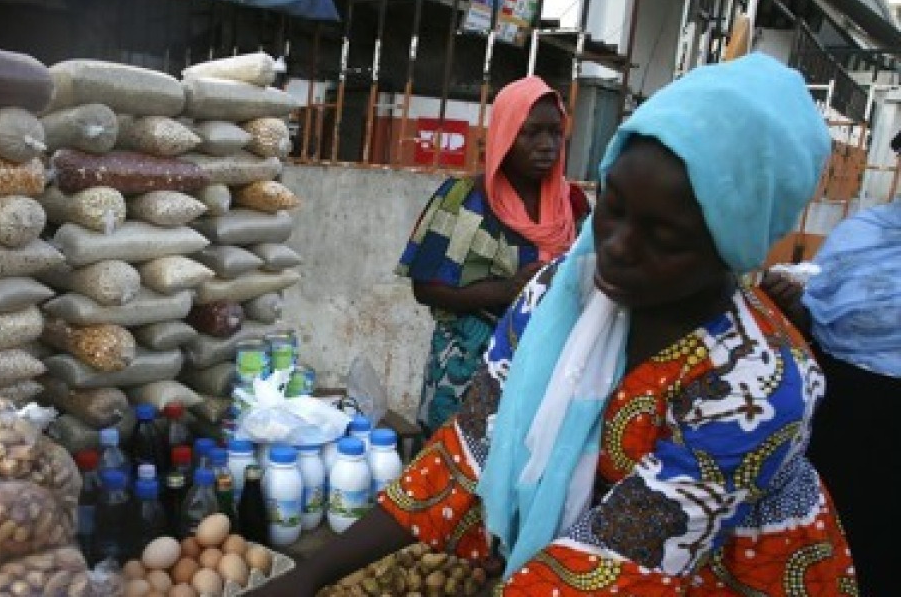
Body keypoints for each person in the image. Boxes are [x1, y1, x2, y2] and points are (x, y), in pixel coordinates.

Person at [249, 54, 856, 595]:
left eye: (663, 236)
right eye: (613, 207)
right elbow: (469, 454)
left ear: (733, 244)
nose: (614, 247)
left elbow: (627, 553)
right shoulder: (555, 295)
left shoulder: (758, 384)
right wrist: (308, 575)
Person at [397, 76, 580, 435]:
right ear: (506, 132)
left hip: (543, 365)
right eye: (532, 133)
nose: (547, 145)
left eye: (555, 133)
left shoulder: (572, 204)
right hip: (465, 366)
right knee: (451, 469)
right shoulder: (463, 199)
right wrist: (507, 291)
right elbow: (425, 287)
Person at [760, 199, 900, 597]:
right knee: (846, 554)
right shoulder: (863, 233)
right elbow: (823, 323)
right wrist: (791, 303)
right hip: (850, 426)